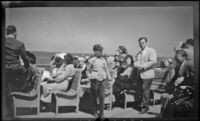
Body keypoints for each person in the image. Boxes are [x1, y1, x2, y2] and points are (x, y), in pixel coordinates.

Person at [5, 25, 34, 117]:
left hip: (5, 70)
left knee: (7, 90)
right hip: (16, 70)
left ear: (7, 33)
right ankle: (25, 90)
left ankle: (10, 112)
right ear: (15, 33)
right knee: (31, 71)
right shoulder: (19, 43)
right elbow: (25, 58)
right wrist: (27, 67)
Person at [86, 44, 112, 118]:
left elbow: (106, 69)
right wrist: (89, 76)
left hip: (102, 81)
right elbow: (87, 70)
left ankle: (101, 113)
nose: (100, 53)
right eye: (98, 51)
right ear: (95, 51)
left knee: (102, 97)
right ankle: (94, 111)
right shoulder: (91, 60)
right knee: (94, 97)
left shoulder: (103, 60)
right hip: (94, 80)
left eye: (101, 51)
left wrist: (109, 78)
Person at [134, 37, 157, 114]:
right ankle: (143, 104)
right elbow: (136, 61)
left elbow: (153, 61)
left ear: (146, 43)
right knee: (141, 90)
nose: (141, 44)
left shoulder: (151, 50)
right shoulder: (139, 52)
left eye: (143, 42)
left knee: (145, 91)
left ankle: (145, 107)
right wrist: (136, 64)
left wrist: (143, 66)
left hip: (148, 74)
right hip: (140, 74)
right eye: (140, 43)